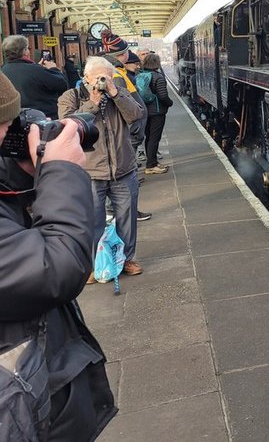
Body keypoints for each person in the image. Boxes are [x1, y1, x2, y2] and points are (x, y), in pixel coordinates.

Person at [0, 71, 117, 439]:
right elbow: (56, 266)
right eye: (4, 128)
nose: (12, 136)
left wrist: (24, 172)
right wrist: (61, 172)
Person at [58, 56, 146, 278]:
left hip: (123, 168)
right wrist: (93, 104)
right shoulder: (72, 96)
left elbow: (137, 115)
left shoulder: (119, 92)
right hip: (90, 171)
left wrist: (115, 93)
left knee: (127, 219)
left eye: (106, 76)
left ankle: (126, 259)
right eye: (97, 77)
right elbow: (68, 126)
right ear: (86, 77)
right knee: (92, 221)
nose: (102, 81)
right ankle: (94, 264)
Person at [99, 31, 151, 222]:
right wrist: (135, 130)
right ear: (121, 54)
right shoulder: (116, 75)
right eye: (127, 51)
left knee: (126, 178)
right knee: (124, 179)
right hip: (126, 136)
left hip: (128, 135)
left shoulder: (118, 72)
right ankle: (121, 212)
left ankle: (122, 211)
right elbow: (122, 107)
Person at [1, 35, 69, 119]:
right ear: (24, 51)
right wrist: (53, 68)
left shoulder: (2, 71)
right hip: (43, 119)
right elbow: (62, 85)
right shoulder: (37, 70)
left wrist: (38, 67)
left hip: (14, 121)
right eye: (28, 48)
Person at [140, 53, 173, 174]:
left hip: (144, 111)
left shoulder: (141, 75)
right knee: (154, 138)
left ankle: (152, 161)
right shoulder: (158, 77)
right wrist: (170, 103)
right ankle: (151, 165)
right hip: (157, 112)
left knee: (148, 137)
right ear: (157, 63)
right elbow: (163, 96)